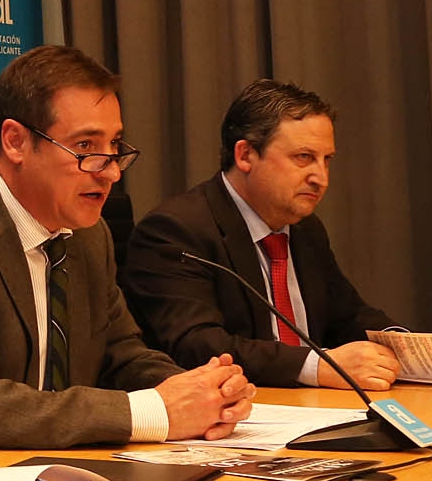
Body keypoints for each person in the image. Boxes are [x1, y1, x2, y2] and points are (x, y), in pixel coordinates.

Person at [0, 45, 255, 464]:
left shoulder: (88, 235)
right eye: (86, 146)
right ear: (15, 142)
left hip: (47, 470)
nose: (111, 171)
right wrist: (155, 412)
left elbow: (121, 355)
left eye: (114, 145)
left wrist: (204, 394)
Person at [124, 80, 400, 390]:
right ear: (245, 155)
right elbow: (197, 345)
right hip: (238, 409)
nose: (321, 178)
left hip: (316, 405)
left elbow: (349, 317)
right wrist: (316, 366)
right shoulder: (176, 231)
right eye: (304, 157)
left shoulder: (305, 229)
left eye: (327, 160)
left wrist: (412, 349)